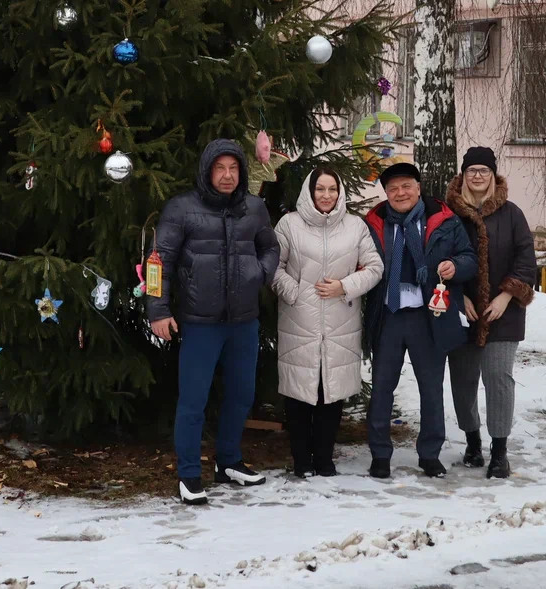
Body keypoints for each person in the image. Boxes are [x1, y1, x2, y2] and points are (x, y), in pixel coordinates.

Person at [147, 138, 281, 505]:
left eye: (233, 168)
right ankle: (189, 475)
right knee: (194, 400)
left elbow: (271, 247)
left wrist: (259, 272)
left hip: (243, 321)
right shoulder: (182, 209)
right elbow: (158, 261)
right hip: (200, 323)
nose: (227, 175)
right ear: (208, 171)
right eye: (220, 168)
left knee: (242, 394)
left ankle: (229, 462)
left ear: (241, 171)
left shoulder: (254, 208)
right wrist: (158, 310)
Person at [363, 157, 477, 480]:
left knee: (431, 388)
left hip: (429, 315)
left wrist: (456, 267)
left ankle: (430, 454)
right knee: (382, 388)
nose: (400, 194)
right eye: (393, 188)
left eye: (406, 187)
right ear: (386, 193)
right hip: (388, 315)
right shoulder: (374, 224)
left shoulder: (444, 220)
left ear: (418, 189)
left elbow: (470, 258)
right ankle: (380, 456)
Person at [273, 168, 384, 478]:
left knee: (330, 393)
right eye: (319, 189)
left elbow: (375, 268)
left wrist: (344, 286)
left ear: (340, 192)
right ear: (309, 192)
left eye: (331, 189)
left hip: (339, 321)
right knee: (298, 391)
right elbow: (273, 266)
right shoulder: (290, 225)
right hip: (299, 320)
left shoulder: (354, 227)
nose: (325, 195)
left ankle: (324, 459)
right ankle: (302, 461)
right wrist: (293, 291)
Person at [445, 147, 537, 479]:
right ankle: (472, 443)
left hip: (503, 313)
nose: (478, 176)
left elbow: (526, 259)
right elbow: (439, 259)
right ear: (463, 175)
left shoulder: (512, 214)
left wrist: (505, 297)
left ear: (494, 175)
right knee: (463, 382)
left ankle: (499, 452)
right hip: (462, 314)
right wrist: (458, 300)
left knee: (498, 380)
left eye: (484, 170)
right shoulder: (449, 214)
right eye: (472, 170)